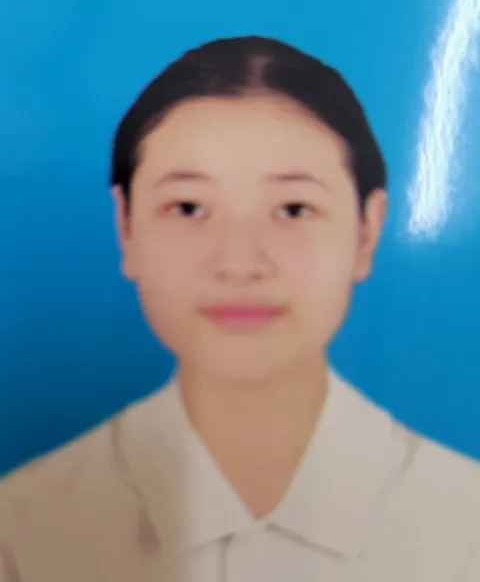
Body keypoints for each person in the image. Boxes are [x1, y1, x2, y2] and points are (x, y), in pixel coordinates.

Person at [0, 35, 479, 582]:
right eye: (188, 207)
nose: (238, 263)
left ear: (367, 230)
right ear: (126, 226)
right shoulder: (22, 530)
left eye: (293, 209)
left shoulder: (466, 526)